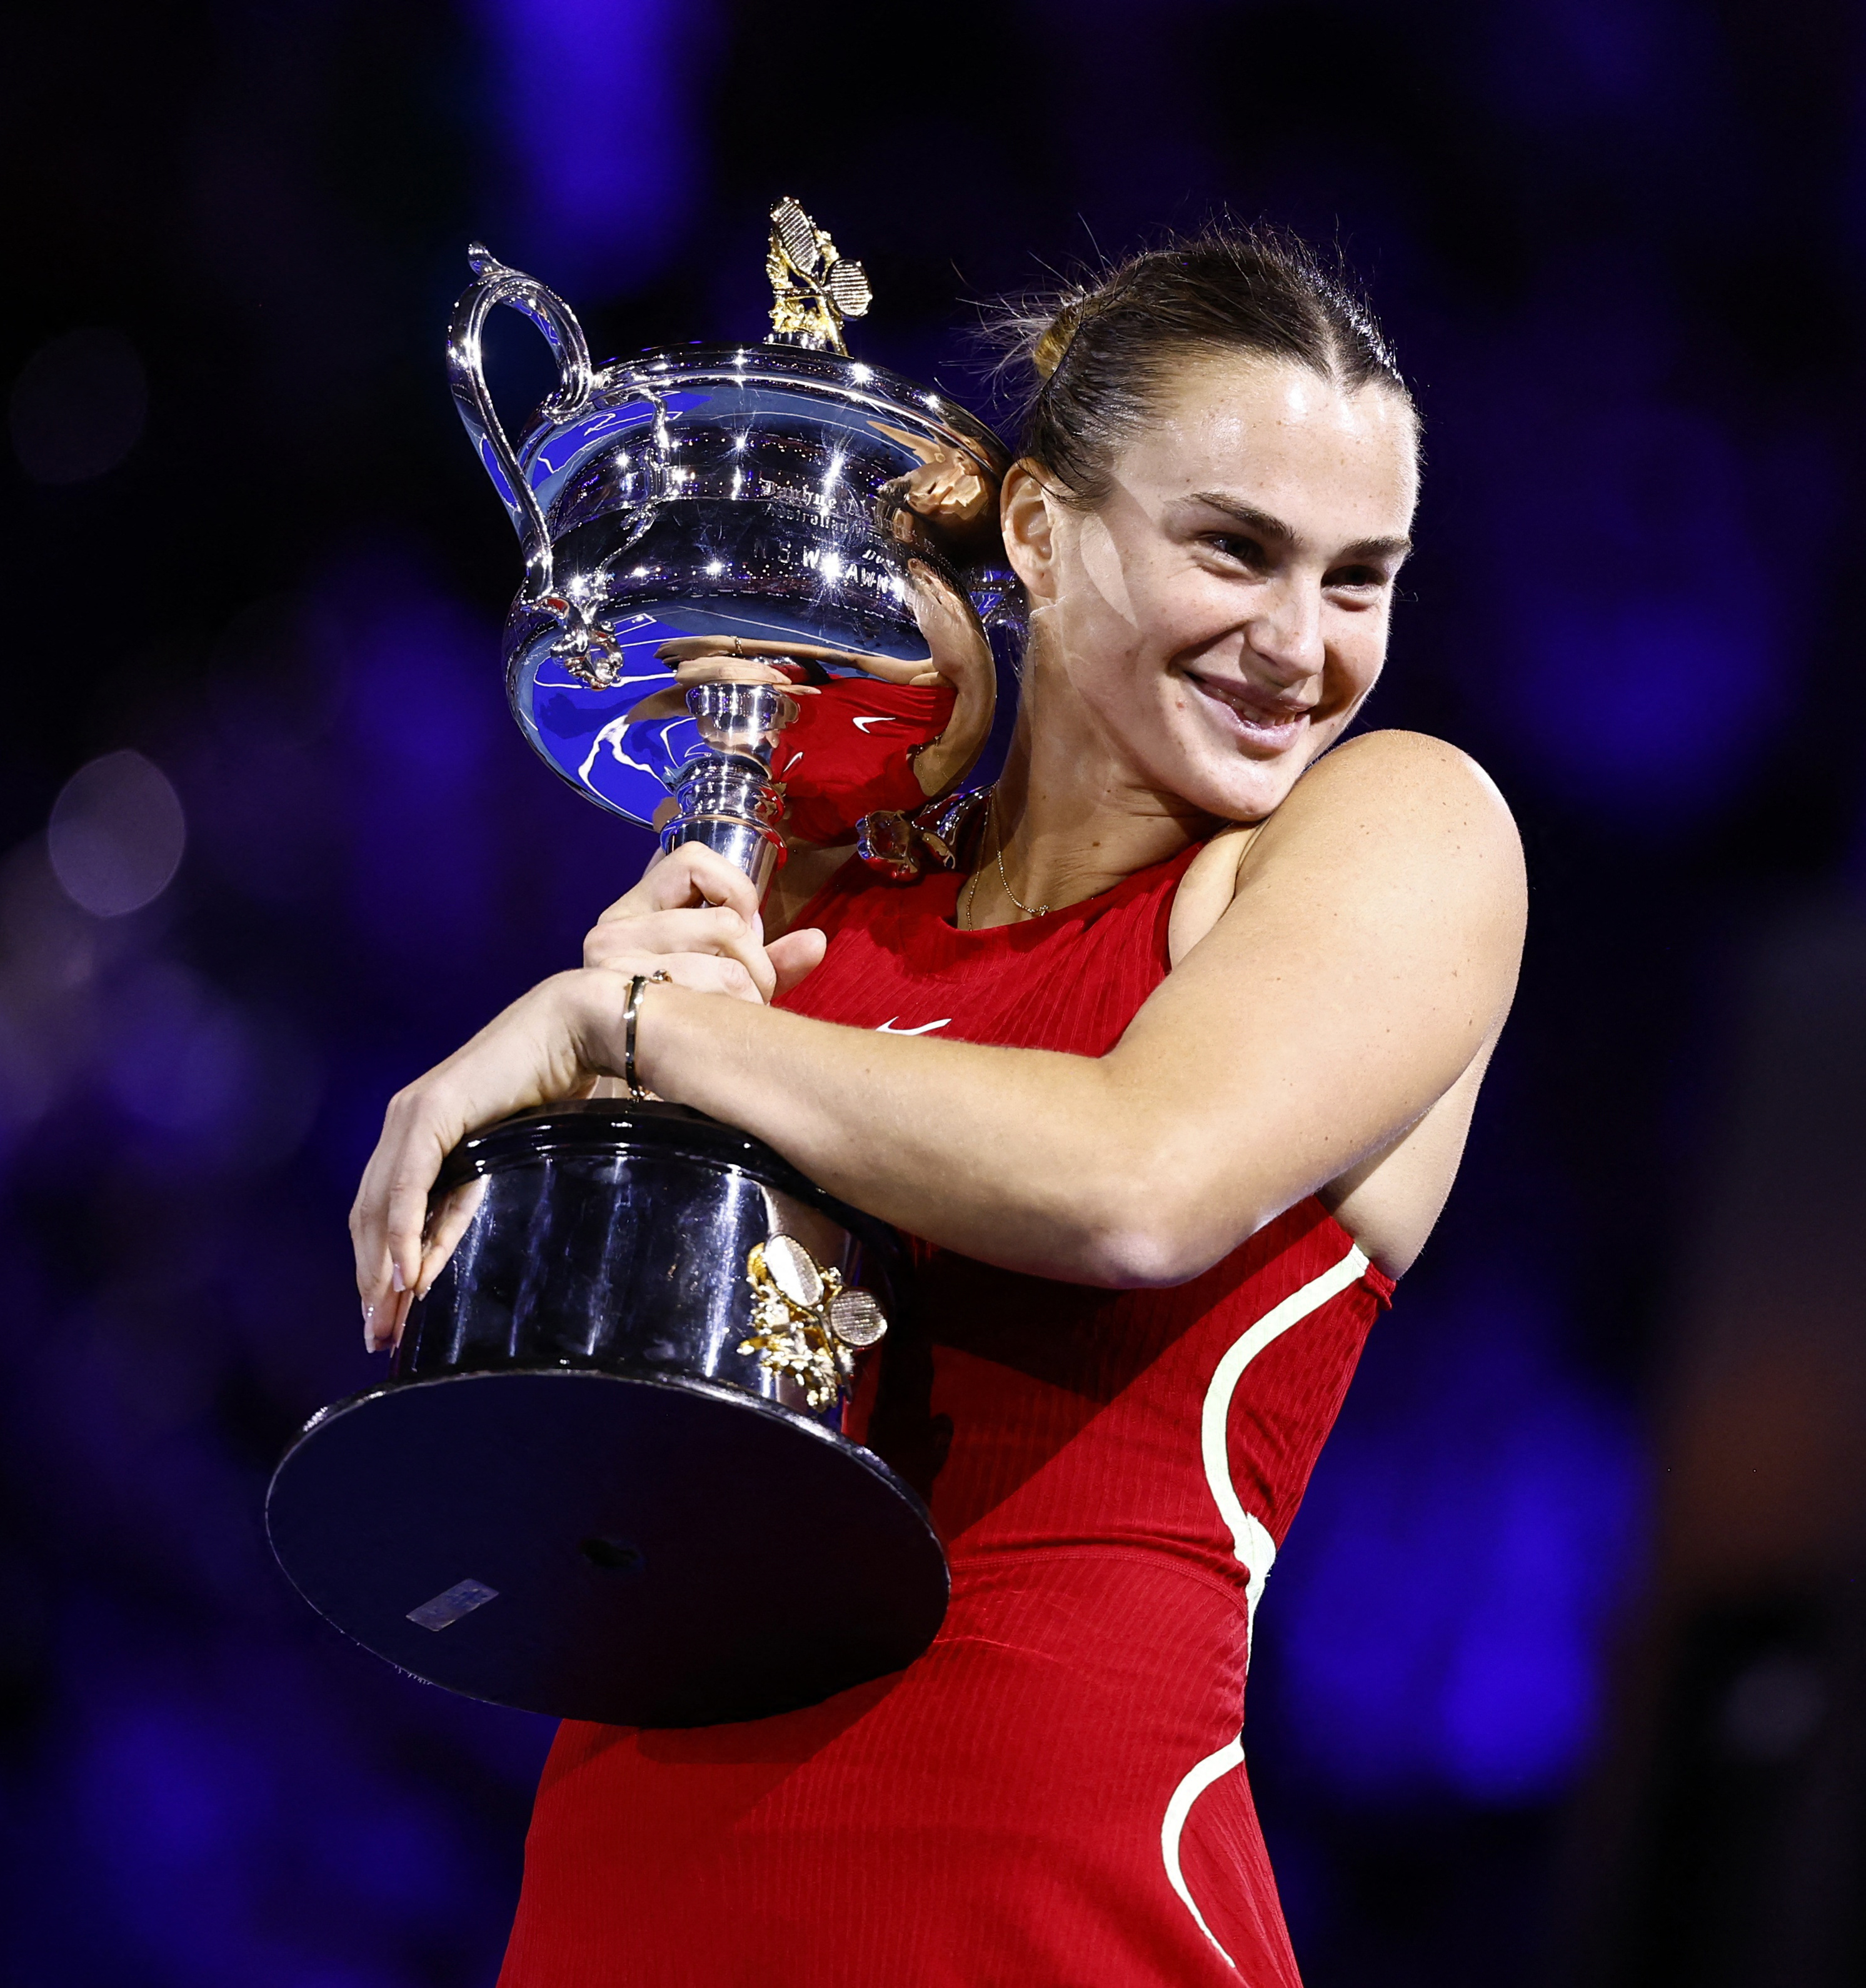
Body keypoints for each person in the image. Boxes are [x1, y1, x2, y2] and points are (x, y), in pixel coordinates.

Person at [350, 226, 1525, 1985]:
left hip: (1039, 1899)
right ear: (1042, 534)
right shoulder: (816, 908)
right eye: (1235, 548)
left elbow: (1139, 1179)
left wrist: (640, 1026)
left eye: (1361, 577)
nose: (1303, 643)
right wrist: (583, 1121)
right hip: (634, 1866)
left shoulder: (1399, 834)